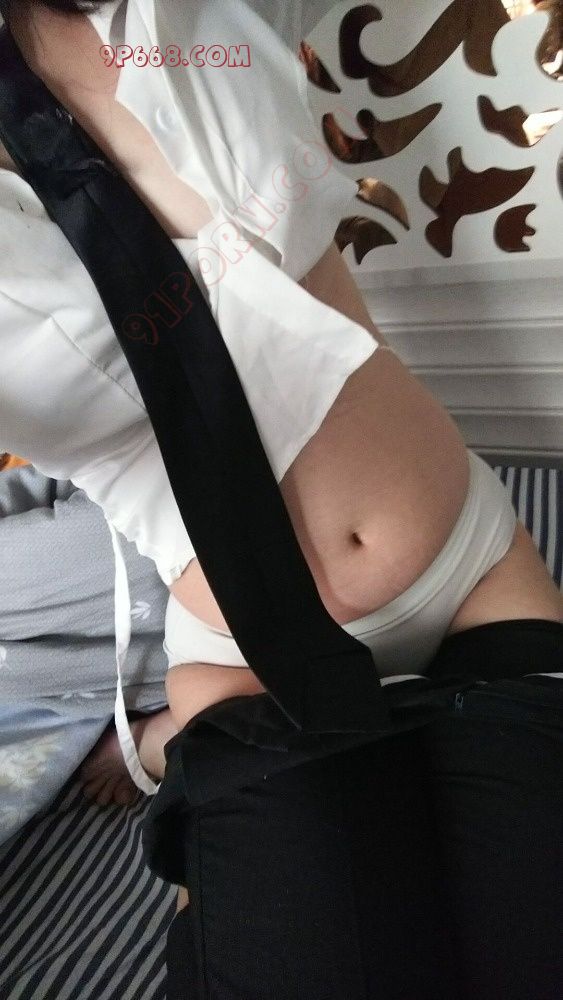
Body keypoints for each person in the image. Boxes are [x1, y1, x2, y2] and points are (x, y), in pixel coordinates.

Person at [0, 1, 562, 996]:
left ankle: (174, 762)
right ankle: (178, 755)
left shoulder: (179, 14)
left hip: (473, 575)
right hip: (247, 665)